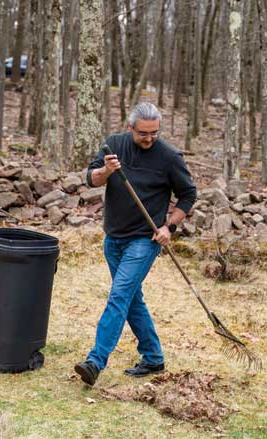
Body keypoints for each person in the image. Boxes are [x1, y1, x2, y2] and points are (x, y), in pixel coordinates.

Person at [74, 102, 197, 385]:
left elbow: (188, 195)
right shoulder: (113, 146)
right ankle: (153, 357)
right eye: (143, 133)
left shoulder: (168, 156)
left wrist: (170, 226)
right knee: (130, 300)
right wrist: (106, 171)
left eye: (154, 132)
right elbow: (91, 180)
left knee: (119, 296)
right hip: (113, 237)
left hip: (144, 240)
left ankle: (95, 361)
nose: (150, 138)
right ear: (130, 128)